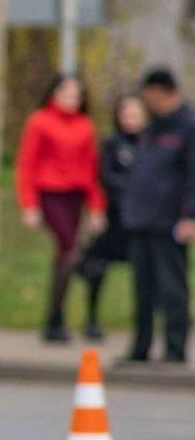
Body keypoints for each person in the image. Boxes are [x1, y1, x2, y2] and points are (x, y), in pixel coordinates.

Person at [17, 74, 108, 343]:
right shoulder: (40, 122)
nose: (72, 99)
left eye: (76, 95)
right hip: (50, 193)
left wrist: (96, 206)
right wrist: (29, 205)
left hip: (74, 196)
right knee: (70, 250)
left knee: (64, 258)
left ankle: (54, 320)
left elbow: (91, 169)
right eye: (66, 93)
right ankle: (87, 271)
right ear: (54, 94)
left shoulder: (85, 126)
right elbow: (26, 164)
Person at [122, 67, 195, 365]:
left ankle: (175, 349)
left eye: (148, 96)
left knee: (171, 287)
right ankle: (140, 347)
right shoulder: (151, 129)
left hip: (170, 222)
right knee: (142, 288)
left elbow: (193, 175)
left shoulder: (188, 127)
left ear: (161, 92)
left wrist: (190, 215)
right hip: (142, 219)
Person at [73, 94, 151, 343]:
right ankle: (92, 318)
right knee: (98, 266)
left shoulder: (153, 143)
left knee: (145, 272)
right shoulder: (113, 144)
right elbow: (104, 176)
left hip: (143, 220)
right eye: (125, 114)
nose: (130, 119)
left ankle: (144, 325)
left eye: (135, 114)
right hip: (115, 217)